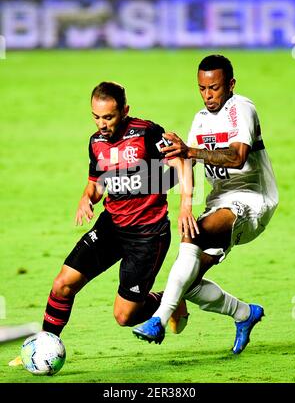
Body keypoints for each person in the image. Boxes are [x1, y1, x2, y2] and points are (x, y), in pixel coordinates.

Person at [9, 81, 191, 366]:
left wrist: (185, 206)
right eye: (96, 116)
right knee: (62, 284)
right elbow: (95, 185)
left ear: (125, 111)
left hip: (147, 234)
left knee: (124, 316)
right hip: (111, 226)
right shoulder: (96, 143)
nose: (102, 124)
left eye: (108, 117)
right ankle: (42, 346)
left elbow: (181, 161)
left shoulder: (147, 132)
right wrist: (87, 198)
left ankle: (170, 299)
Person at [132, 54, 279, 354]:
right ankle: (244, 314)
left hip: (253, 200)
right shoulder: (200, 120)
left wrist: (191, 150)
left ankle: (159, 318)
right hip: (219, 203)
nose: (208, 95)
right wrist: (184, 204)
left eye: (215, 87)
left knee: (193, 235)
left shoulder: (241, 109)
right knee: (190, 280)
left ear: (231, 84)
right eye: (202, 88)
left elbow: (237, 156)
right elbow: (187, 161)